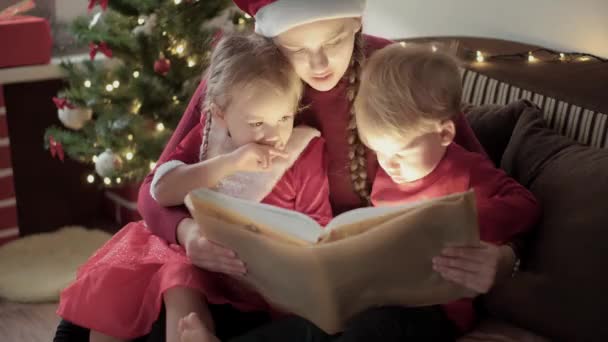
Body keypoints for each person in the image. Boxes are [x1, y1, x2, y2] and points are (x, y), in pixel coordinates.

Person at [54, 0, 533, 340]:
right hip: (250, 280)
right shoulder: (252, 78)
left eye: (335, 40)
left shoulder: (394, 72)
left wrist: (503, 258)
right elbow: (153, 192)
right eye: (297, 49)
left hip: (360, 293)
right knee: (94, 318)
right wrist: (188, 236)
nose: (319, 63)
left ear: (356, 23)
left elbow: (480, 182)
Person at [56, 33, 332, 342]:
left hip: (254, 274)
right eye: (257, 124)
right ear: (220, 114)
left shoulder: (303, 151)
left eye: (284, 117)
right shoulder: (209, 138)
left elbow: (317, 223)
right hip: (191, 256)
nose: (273, 135)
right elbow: (162, 189)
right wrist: (230, 163)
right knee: (168, 279)